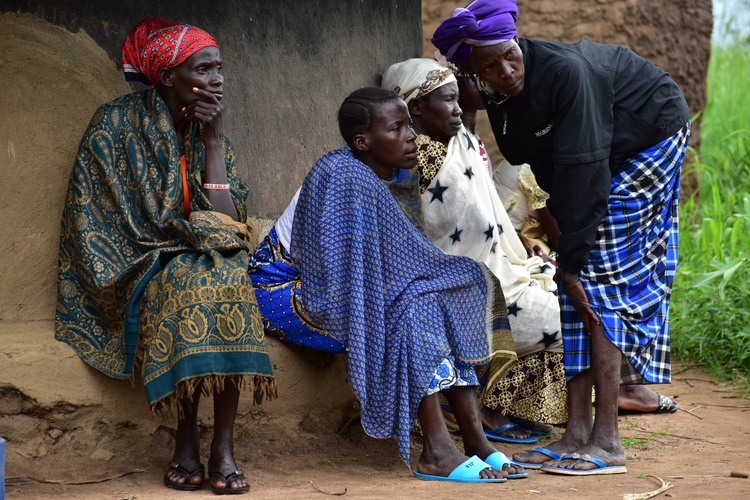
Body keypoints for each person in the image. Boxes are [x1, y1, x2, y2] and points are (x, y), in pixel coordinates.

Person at [433, 0, 691, 475]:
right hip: (595, 158)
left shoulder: (567, 73)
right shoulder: (492, 91)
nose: (506, 70)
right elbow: (547, 170)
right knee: (577, 288)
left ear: (518, 41)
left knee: (599, 283)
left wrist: (570, 262)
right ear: (470, 73)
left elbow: (585, 169)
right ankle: (576, 434)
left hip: (649, 134)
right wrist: (568, 258)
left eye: (509, 55)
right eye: (488, 66)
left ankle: (608, 441)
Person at [249, 87, 525, 483]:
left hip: (346, 283)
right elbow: (337, 276)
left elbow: (396, 259)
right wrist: (409, 290)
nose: (411, 136)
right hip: (286, 290)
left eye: (408, 126)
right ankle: (436, 450)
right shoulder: (344, 176)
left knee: (443, 291)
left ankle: (475, 439)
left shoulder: (395, 175)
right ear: (363, 142)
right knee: (414, 306)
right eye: (397, 128)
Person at [55, 18, 276, 494]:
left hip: (205, 251)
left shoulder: (212, 134)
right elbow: (95, 220)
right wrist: (181, 237)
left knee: (230, 277)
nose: (217, 79)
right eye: (204, 68)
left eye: (220, 68)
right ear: (169, 76)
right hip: (138, 257)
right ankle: (184, 439)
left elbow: (229, 223)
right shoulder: (115, 124)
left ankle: (222, 445)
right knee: (191, 282)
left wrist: (213, 141)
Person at [459, 76, 680, 417]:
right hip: (517, 254)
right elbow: (561, 231)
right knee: (600, 288)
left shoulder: (528, 152)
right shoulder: (535, 165)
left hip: (521, 248)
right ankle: (626, 390)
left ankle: (625, 388)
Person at [380, 58, 567, 446]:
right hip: (463, 283)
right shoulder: (420, 155)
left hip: (496, 270)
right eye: (446, 100)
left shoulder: (459, 141)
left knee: (556, 294)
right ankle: (483, 408)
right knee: (564, 318)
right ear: (415, 107)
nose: (457, 108)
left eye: (456, 100)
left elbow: (468, 116)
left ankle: (502, 405)